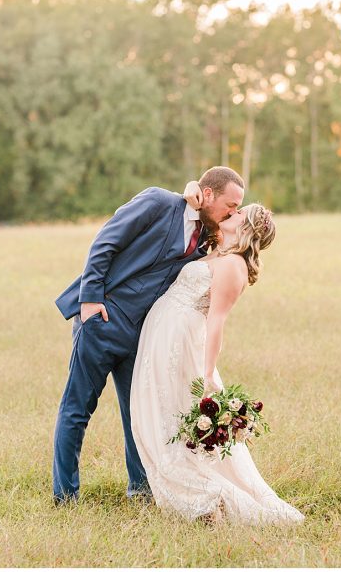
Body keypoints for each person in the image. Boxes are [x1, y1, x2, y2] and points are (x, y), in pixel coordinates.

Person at [52, 167, 244, 504]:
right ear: (208, 194)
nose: (233, 212)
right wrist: (91, 300)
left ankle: (140, 489)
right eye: (231, 204)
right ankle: (65, 495)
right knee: (77, 409)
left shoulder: (205, 242)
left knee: (139, 413)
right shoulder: (158, 202)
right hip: (103, 320)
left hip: (142, 337)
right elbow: (105, 241)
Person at [130, 202, 303, 524]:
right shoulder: (218, 253)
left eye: (239, 214)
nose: (231, 214)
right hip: (163, 335)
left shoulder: (232, 265)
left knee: (169, 416)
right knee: (155, 412)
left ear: (246, 228)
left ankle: (206, 499)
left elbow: (217, 321)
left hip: (180, 345)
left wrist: (207, 372)